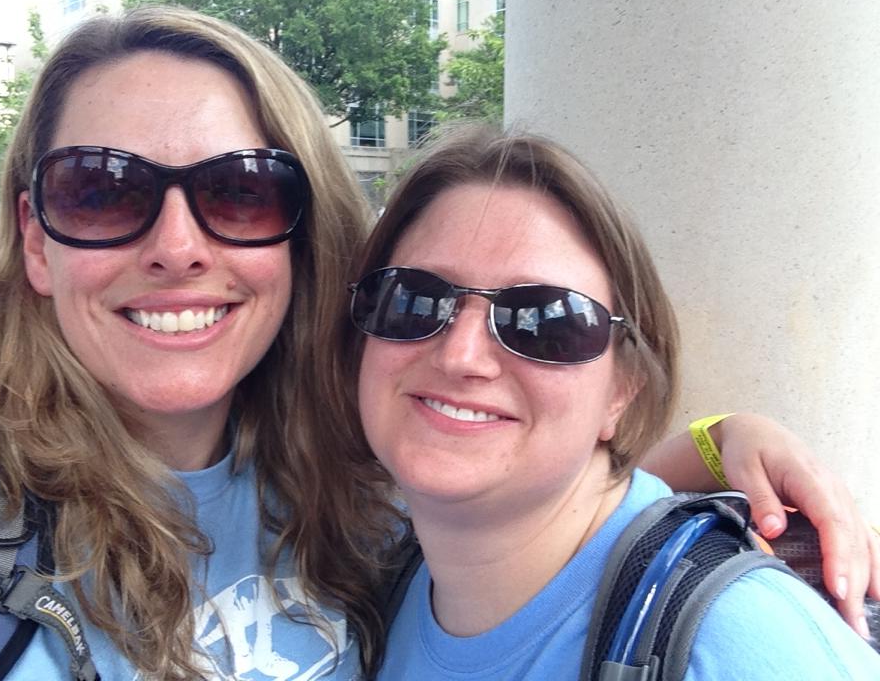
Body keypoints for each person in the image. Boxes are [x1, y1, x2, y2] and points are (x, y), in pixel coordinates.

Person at [0, 7, 875, 680]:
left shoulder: (357, 496)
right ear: (38, 240)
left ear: (300, 242)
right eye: (103, 189)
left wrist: (717, 443)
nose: (177, 246)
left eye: (240, 190)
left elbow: (532, 510)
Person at [342, 124, 880, 679]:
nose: (461, 356)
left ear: (623, 388)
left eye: (544, 321)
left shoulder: (737, 641)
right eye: (415, 300)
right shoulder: (377, 575)